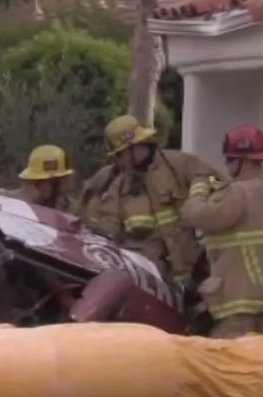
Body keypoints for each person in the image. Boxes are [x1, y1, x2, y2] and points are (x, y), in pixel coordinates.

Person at [82, 114, 224, 290]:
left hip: (195, 273)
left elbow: (217, 184)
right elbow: (107, 227)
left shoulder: (178, 165)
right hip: (154, 283)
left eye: (119, 154)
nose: (118, 161)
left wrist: (198, 202)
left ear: (132, 148)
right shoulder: (118, 186)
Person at [181, 125, 263, 338]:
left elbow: (195, 215)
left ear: (244, 161)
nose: (226, 164)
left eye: (230, 159)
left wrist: (199, 188)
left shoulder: (237, 193)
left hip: (234, 304)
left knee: (229, 365)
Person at [12, 144, 74, 211]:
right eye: (53, 183)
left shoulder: (68, 207)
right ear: (36, 182)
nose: (59, 189)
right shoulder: (14, 205)